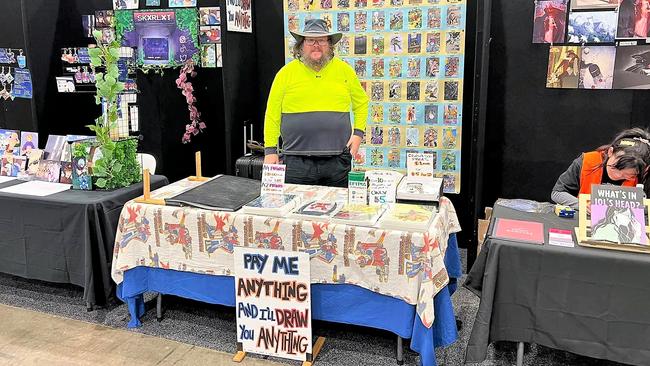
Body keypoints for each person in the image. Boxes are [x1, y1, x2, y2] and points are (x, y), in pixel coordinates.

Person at [263, 19, 369, 187]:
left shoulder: (345, 71)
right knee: (295, 211)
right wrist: (270, 151)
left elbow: (361, 103)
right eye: (310, 40)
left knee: (339, 211)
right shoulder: (285, 74)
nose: (316, 45)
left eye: (321, 40)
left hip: (337, 161)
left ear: (329, 44)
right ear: (301, 45)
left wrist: (358, 134)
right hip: (296, 162)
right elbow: (272, 115)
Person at [552, 127, 650, 209]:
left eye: (628, 175)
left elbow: (646, 208)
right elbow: (557, 193)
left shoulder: (642, 175)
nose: (617, 175)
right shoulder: (587, 161)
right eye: (614, 168)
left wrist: (641, 204)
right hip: (582, 219)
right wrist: (583, 205)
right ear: (610, 152)